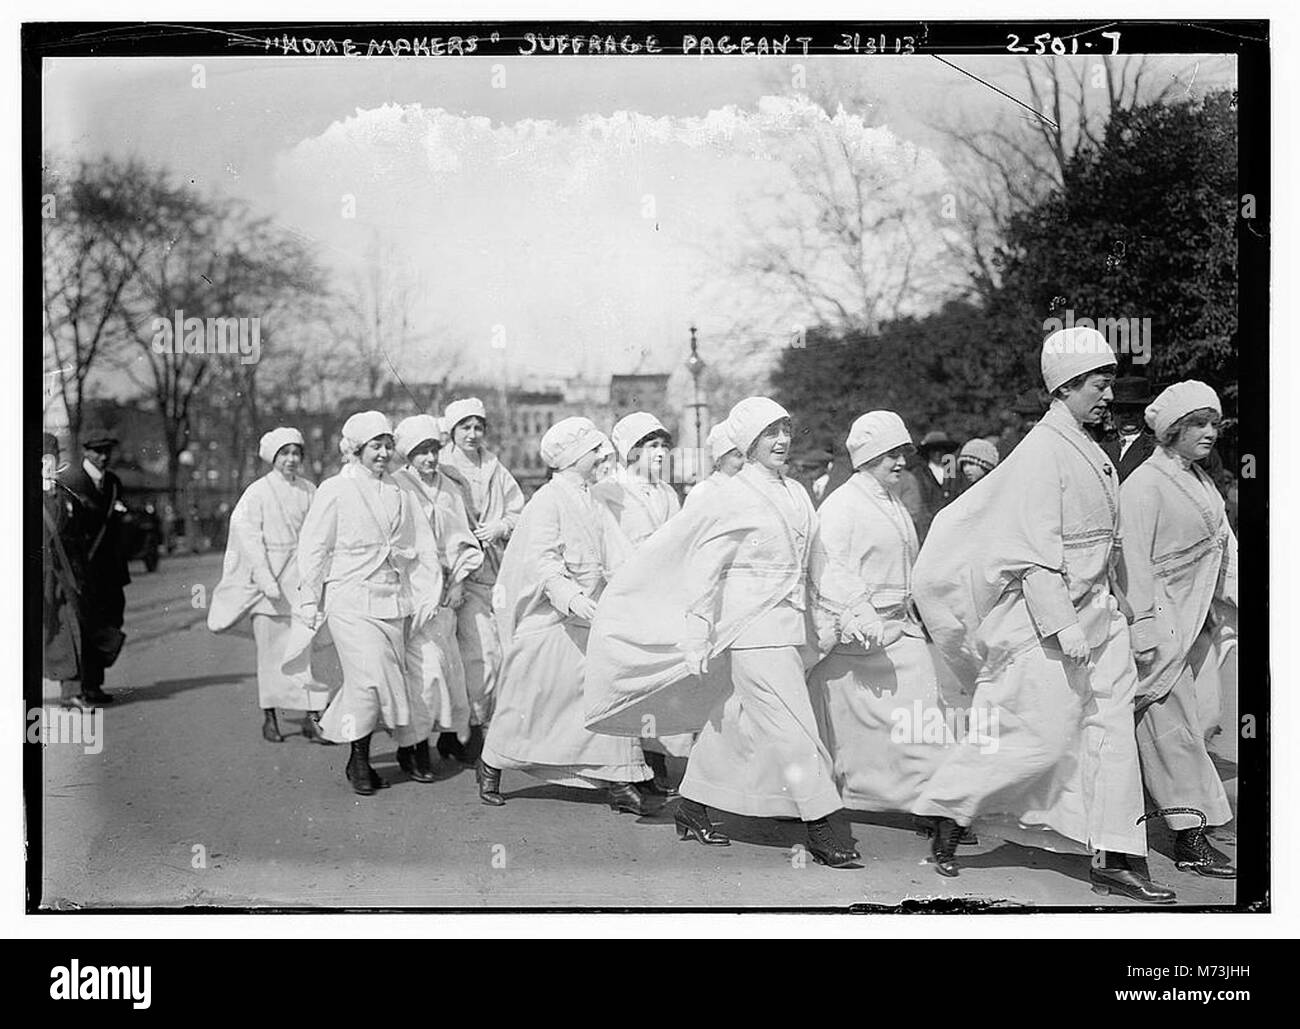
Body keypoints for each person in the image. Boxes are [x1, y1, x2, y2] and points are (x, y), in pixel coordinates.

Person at [910, 327, 1175, 904]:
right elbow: (1030, 553)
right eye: (1100, 385)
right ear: (1067, 385)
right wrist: (1063, 626)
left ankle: (1117, 856)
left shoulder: (1086, 448)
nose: (1108, 396)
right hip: (1046, 629)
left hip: (1100, 621)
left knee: (1111, 738)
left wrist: (1139, 616)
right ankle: (950, 814)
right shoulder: (1041, 452)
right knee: (1037, 740)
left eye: (1107, 385)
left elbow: (1113, 545)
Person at [584, 397, 883, 868]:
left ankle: (694, 804)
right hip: (751, 631)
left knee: (739, 722)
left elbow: (820, 563)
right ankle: (822, 825)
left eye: (786, 429)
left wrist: (855, 605)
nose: (782, 440)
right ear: (748, 442)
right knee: (794, 727)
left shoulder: (798, 493)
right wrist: (698, 632)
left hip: (794, 631)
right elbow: (706, 568)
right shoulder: (730, 495)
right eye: (770, 433)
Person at [476, 417, 654, 814]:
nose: (602, 457)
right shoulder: (547, 500)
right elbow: (542, 561)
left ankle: (619, 781)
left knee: (608, 694)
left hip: (590, 617)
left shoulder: (591, 499)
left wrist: (638, 585)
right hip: (552, 619)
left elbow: (617, 552)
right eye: (594, 452)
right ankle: (491, 763)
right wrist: (571, 597)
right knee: (531, 701)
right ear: (573, 457)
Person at [808, 412, 956, 814]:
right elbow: (828, 565)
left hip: (899, 632)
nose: (900, 463)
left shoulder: (890, 502)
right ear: (867, 459)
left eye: (902, 453)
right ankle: (901, 800)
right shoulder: (842, 506)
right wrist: (857, 611)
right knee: (866, 735)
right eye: (890, 455)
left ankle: (934, 802)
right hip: (859, 638)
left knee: (921, 723)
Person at [287, 411, 441, 796]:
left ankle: (371, 753)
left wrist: (427, 592)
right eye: (376, 445)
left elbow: (423, 547)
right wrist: (309, 598)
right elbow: (313, 548)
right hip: (349, 598)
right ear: (357, 449)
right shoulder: (335, 489)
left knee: (382, 682)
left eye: (389, 444)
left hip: (393, 601)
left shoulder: (402, 491)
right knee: (369, 679)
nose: (385, 452)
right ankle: (359, 759)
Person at [1119, 381, 1237, 879]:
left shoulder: (1200, 481)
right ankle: (1191, 842)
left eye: (1213, 423)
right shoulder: (1144, 486)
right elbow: (1131, 564)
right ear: (1172, 431)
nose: (1210, 433)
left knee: (1203, 723)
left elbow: (1224, 549)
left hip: (1200, 626)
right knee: (1174, 735)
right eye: (1198, 424)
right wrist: (1145, 627)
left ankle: (1156, 818)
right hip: (1165, 627)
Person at [208, 428, 331, 743]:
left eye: (295, 454)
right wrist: (264, 576)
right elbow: (246, 537)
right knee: (271, 654)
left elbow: (322, 532)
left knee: (301, 652)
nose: (291, 460)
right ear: (272, 457)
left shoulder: (310, 490)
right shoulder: (257, 492)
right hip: (271, 584)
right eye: (284, 454)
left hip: (301, 582)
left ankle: (309, 715)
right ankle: (270, 716)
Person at [596, 411, 689, 793]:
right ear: (631, 451)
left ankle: (656, 754)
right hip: (629, 594)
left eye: (664, 447)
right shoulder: (610, 491)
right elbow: (608, 545)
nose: (660, 454)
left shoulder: (667, 493)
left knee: (664, 678)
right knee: (633, 679)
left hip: (665, 594)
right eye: (652, 446)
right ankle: (634, 762)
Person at [391, 414, 485, 775]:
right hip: (412, 591)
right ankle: (412, 746)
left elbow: (461, 537)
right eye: (421, 453)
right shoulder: (397, 486)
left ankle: (447, 737)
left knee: (449, 669)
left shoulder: (448, 487)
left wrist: (459, 578)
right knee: (422, 672)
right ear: (408, 456)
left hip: (445, 594)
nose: (430, 459)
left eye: (433, 450)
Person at [439, 397, 525, 752]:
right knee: (477, 654)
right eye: (465, 428)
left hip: (496, 573)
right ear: (453, 431)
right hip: (457, 574)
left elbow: (520, 511)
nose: (473, 434)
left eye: (478, 427)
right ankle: (469, 730)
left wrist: (501, 525)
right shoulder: (442, 466)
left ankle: (476, 727)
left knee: (498, 653)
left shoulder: (495, 467)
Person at [57, 422, 130, 705]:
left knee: (113, 618)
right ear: (86, 452)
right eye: (98, 451)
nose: (103, 456)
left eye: (107, 451)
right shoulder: (73, 482)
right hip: (83, 568)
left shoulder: (113, 483)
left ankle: (95, 684)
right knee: (87, 625)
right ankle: (86, 685)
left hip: (111, 568)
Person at [42, 432, 88, 709]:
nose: (47, 466)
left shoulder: (63, 496)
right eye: (41, 460)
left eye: (51, 460)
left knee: (67, 629)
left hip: (58, 576)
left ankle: (71, 690)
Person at [1100, 375, 1156, 481]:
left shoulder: (1156, 447)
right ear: (1112, 414)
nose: (1127, 415)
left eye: (1133, 409)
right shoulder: (1101, 445)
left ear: (1144, 412)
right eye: (1120, 410)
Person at [682, 422, 743, 513]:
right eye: (738, 455)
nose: (745, 461)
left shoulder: (745, 489)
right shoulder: (702, 492)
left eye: (748, 455)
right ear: (719, 460)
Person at [911, 430, 961, 542]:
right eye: (933, 450)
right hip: (928, 528)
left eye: (941, 449)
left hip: (952, 526)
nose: (937, 453)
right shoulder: (919, 473)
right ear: (928, 452)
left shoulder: (952, 472)